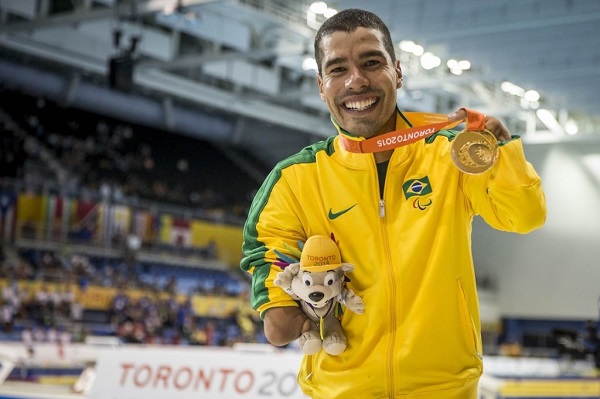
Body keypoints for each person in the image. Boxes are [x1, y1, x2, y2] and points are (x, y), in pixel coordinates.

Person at [240, 8, 546, 399]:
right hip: (341, 390)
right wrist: (281, 303)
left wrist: (503, 154)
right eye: (337, 69)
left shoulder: (448, 156)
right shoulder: (296, 178)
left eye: (371, 62)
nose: (356, 80)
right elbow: (265, 246)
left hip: (445, 389)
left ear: (397, 72)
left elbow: (525, 216)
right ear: (321, 85)